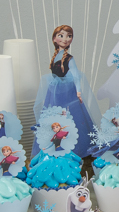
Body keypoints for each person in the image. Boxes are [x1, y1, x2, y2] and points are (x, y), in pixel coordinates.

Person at [33, 25, 101, 158]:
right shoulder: (55, 56)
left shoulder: (69, 58)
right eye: (61, 35)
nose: (65, 39)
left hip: (68, 91)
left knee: (73, 117)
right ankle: (53, 145)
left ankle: (75, 149)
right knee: (53, 115)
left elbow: (76, 75)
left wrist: (79, 91)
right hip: (54, 90)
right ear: (54, 39)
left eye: (69, 36)